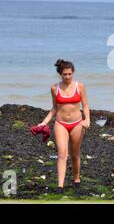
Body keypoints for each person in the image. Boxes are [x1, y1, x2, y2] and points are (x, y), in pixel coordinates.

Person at [38, 59, 91, 193]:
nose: (67, 77)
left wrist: (87, 119)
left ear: (73, 73)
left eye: (69, 74)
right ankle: (60, 186)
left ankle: (77, 179)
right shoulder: (54, 88)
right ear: (60, 74)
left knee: (75, 154)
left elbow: (85, 106)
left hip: (77, 123)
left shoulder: (80, 86)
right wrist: (44, 122)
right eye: (64, 74)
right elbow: (54, 108)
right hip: (60, 123)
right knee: (62, 154)